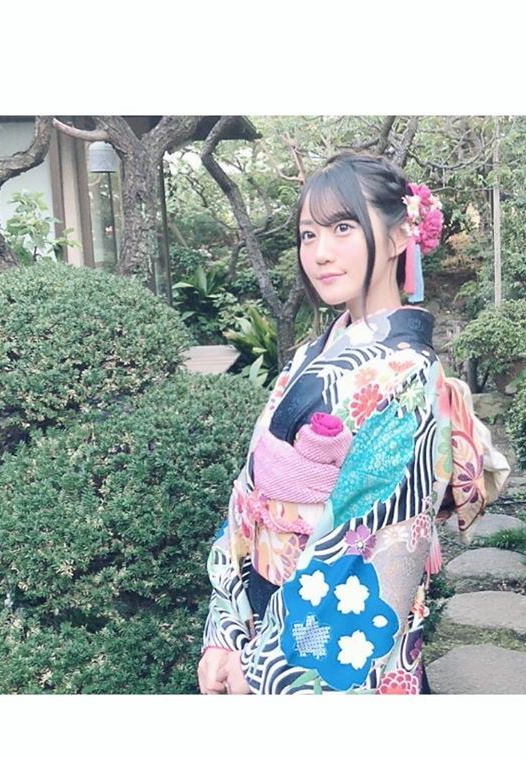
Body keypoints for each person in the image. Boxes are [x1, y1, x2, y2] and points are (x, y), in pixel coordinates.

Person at [197, 151, 461, 695]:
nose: (320, 252)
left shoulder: (411, 373)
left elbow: (387, 539)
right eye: (308, 234)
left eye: (343, 228)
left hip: (332, 632)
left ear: (399, 236)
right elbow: (249, 491)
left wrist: (267, 663)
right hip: (262, 610)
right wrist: (226, 628)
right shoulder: (307, 355)